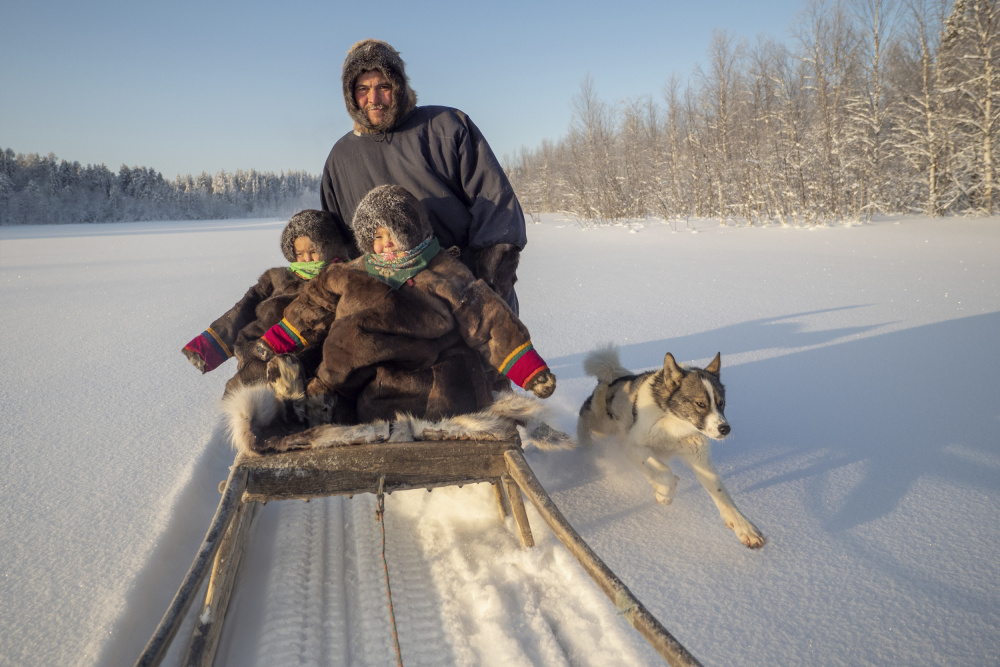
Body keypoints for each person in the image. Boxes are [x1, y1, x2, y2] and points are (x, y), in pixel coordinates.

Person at [256, 185, 555, 424]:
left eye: (393, 234)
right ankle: (315, 407)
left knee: (449, 386)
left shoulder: (442, 271)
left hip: (425, 364)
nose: (384, 244)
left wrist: (528, 370)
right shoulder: (355, 270)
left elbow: (486, 318)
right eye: (376, 236)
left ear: (411, 231)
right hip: (364, 366)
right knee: (339, 358)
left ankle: (430, 424)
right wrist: (279, 338)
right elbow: (316, 303)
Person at [320, 39, 527, 314]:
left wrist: (489, 280)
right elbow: (337, 243)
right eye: (362, 89)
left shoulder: (446, 126)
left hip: (464, 292)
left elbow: (494, 203)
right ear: (350, 94)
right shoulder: (340, 158)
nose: (374, 98)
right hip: (390, 310)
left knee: (504, 356)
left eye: (383, 86)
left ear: (399, 86)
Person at [182, 209, 352, 396]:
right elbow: (244, 308)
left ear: (330, 249)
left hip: (299, 358)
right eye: (300, 253)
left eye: (313, 251)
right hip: (255, 350)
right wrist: (208, 348)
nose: (307, 259)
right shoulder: (278, 277)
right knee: (241, 398)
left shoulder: (335, 281)